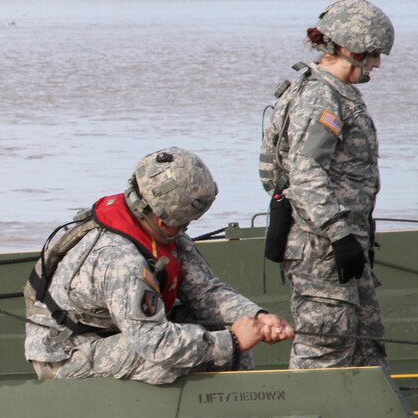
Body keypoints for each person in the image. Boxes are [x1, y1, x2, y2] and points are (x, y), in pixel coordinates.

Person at [24, 148, 294, 384]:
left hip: (114, 332)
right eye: (185, 223)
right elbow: (155, 343)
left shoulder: (155, 223)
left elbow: (205, 292)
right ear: (166, 221)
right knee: (180, 357)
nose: (185, 229)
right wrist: (232, 340)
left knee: (227, 337)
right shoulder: (120, 260)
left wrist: (255, 317)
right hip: (66, 353)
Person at [259, 0, 393, 369]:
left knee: (366, 353)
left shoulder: (336, 93)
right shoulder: (321, 96)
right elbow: (305, 173)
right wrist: (338, 233)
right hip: (323, 250)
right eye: (372, 53)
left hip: (346, 246)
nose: (377, 63)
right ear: (349, 48)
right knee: (325, 354)